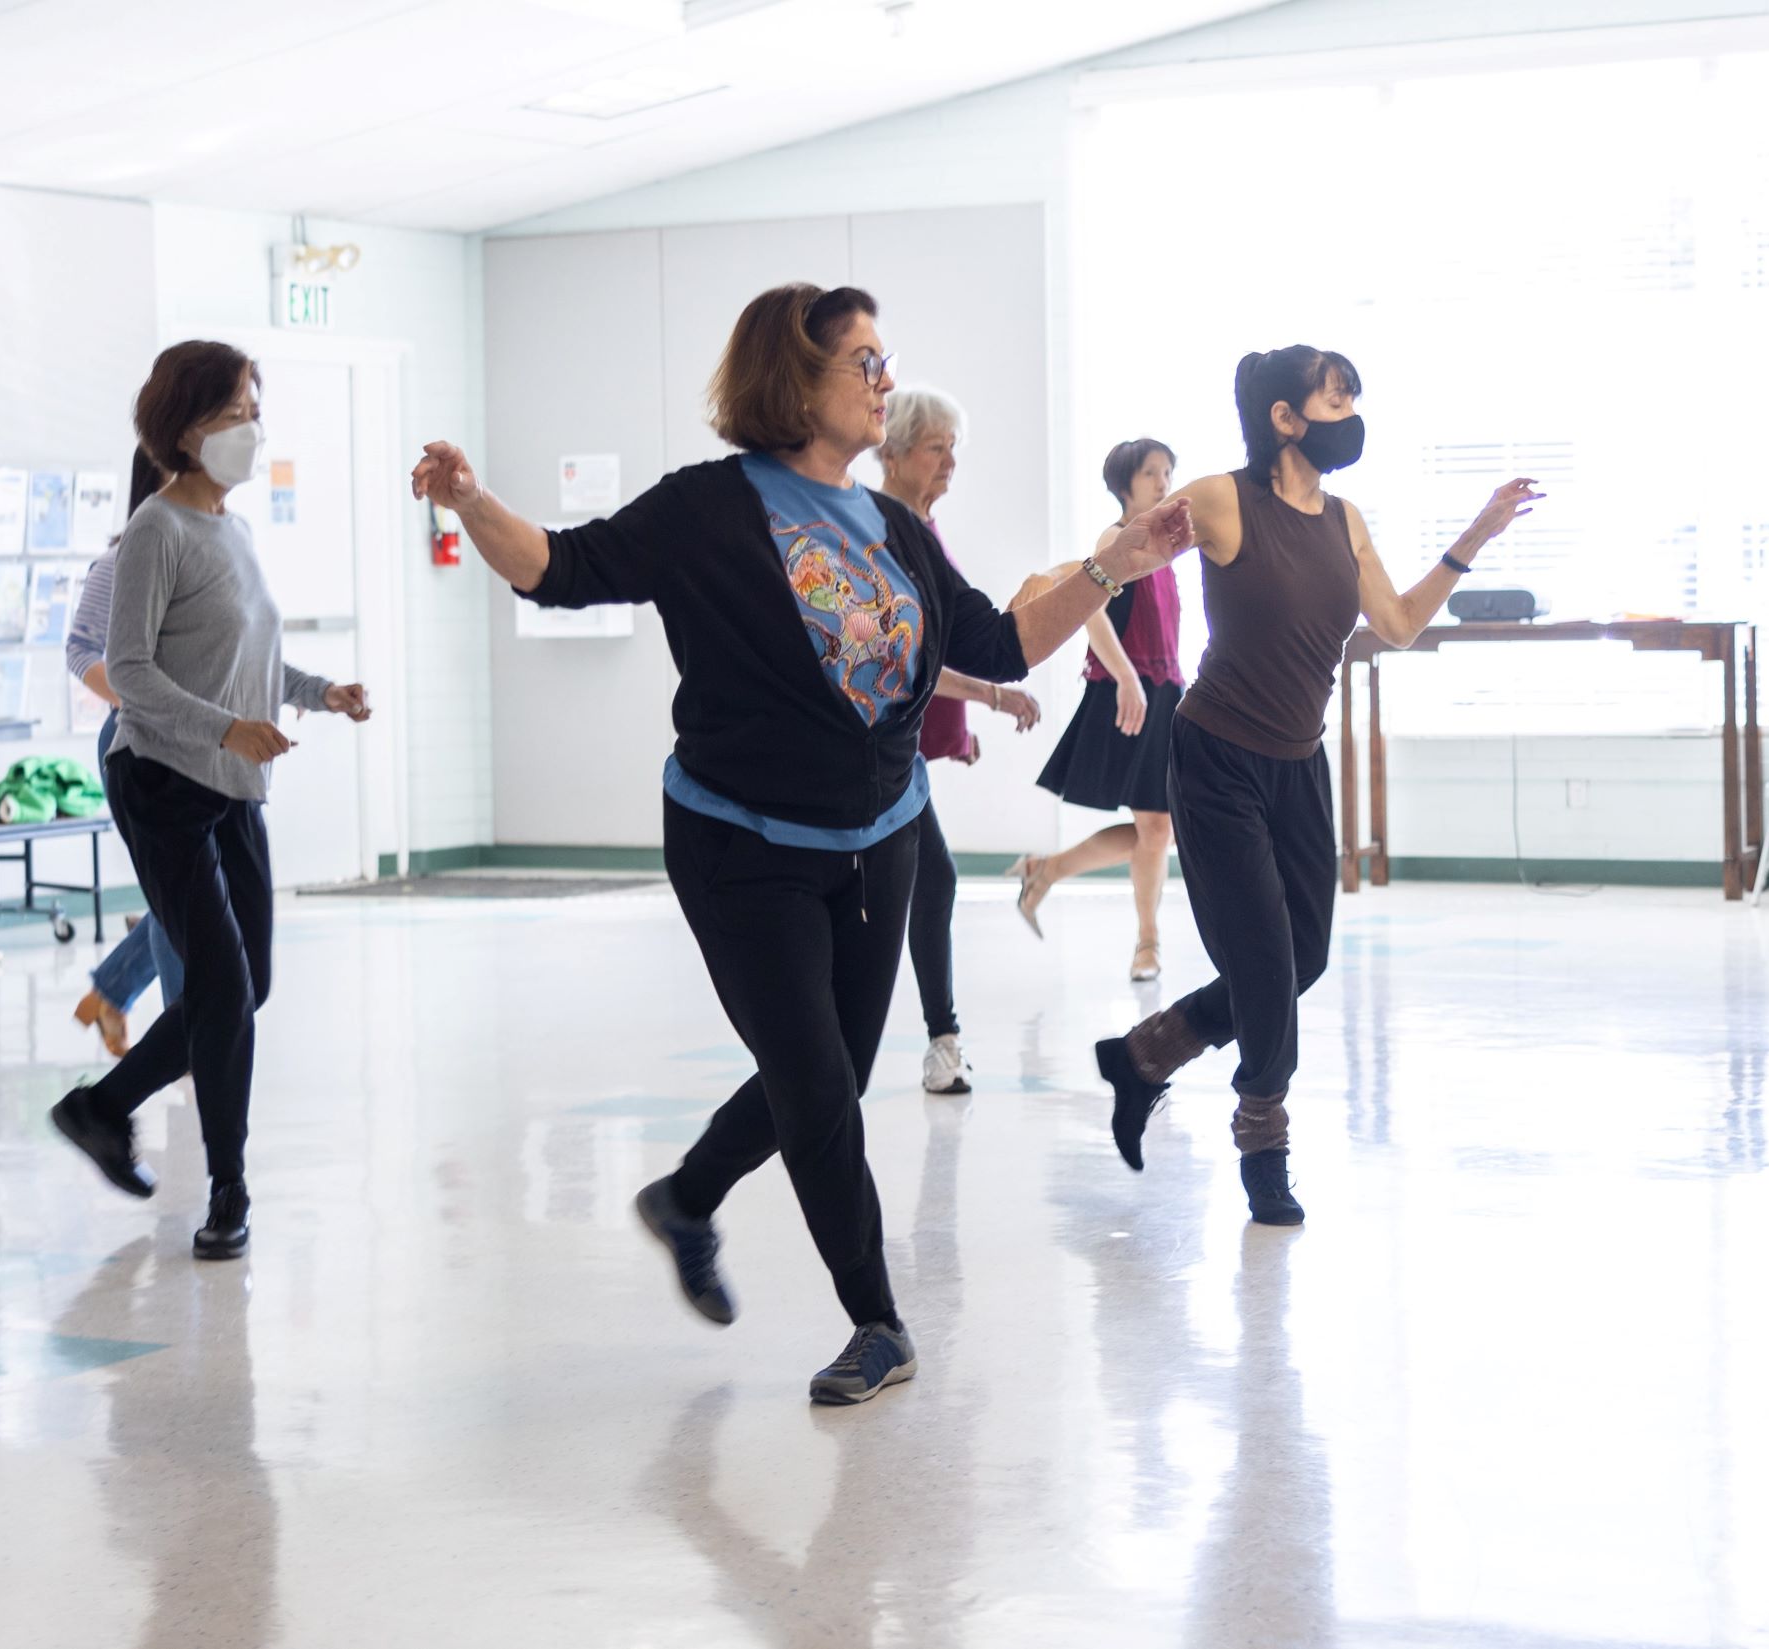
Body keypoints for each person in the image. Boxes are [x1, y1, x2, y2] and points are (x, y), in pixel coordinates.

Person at [411, 283, 1191, 1405]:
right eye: (862, 362)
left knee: (816, 1070)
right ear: (793, 379)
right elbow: (559, 568)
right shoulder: (707, 509)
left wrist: (1114, 564)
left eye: (884, 361)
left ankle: (686, 1195)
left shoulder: (893, 528)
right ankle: (877, 1320)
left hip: (876, 839)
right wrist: (471, 500)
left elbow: (1002, 643)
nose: (881, 381)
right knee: (817, 1080)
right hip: (741, 841)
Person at [1091, 345, 1539, 1226]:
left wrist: (1473, 539)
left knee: (1305, 957)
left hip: (1298, 762)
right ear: (1284, 417)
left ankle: (1144, 1053)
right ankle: (1263, 1140)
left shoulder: (1344, 518)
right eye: (1335, 397)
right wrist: (1126, 549)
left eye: (1353, 397)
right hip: (1216, 757)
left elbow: (1400, 624)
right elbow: (1117, 550)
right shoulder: (1224, 498)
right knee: (1263, 962)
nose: (1351, 412)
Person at [49, 342, 373, 1260]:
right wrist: (225, 728)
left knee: (249, 983)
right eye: (234, 411)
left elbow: (251, 660)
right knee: (223, 986)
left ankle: (99, 1107)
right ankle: (228, 1191)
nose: (251, 427)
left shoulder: (231, 528)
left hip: (229, 783)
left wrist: (321, 692)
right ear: (185, 429)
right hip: (161, 781)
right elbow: (132, 675)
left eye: (252, 407)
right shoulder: (154, 530)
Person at [873, 386, 1041, 1096]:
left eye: (953, 449)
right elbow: (899, 655)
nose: (949, 463)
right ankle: (938, 1041)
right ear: (894, 450)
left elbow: (944, 634)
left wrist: (956, 726)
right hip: (867, 748)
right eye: (936, 448)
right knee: (924, 879)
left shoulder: (921, 528)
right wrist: (991, 694)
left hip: (900, 750)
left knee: (923, 878)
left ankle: (940, 1040)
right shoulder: (880, 527)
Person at [1016, 437, 1186, 982]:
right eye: (1151, 474)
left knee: (1159, 830)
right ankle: (1147, 943)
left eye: (1167, 472)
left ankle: (1048, 871)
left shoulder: (1167, 546)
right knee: (1156, 828)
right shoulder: (1115, 539)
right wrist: (1127, 678)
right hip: (1128, 688)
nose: (1163, 482)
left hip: (1164, 689)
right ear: (1124, 486)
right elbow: (1093, 612)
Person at [67, 446, 186, 1056]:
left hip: (198, 743)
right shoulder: (118, 562)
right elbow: (81, 650)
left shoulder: (204, 554)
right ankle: (181, 1037)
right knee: (183, 887)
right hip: (135, 741)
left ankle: (114, 994)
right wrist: (139, 702)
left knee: (191, 888)